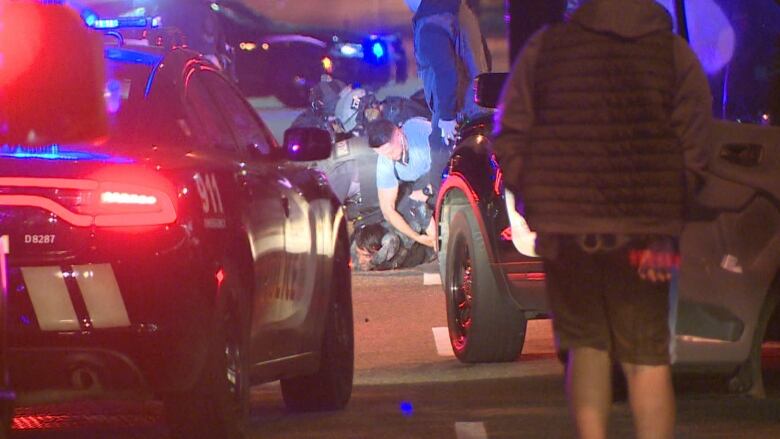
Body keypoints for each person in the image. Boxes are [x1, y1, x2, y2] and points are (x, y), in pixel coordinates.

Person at [492, 1, 712, 438]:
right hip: (651, 238)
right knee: (648, 361)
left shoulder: (547, 49)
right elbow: (695, 148)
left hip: (568, 234)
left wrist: (538, 202)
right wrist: (670, 222)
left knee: (586, 350)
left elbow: (510, 132)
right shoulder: (673, 54)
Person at [404, 0, 491, 145]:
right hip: (481, 106)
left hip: (459, 115)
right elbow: (485, 55)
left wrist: (446, 117)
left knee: (439, 157)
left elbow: (447, 73)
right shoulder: (462, 11)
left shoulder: (430, 25)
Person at [366, 118, 443, 249]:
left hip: (442, 169)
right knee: (412, 205)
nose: (388, 156)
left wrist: (428, 190)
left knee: (420, 196)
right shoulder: (385, 162)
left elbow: (449, 160)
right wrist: (418, 238)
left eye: (389, 151)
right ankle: (437, 242)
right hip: (419, 183)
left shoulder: (421, 131)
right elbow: (387, 211)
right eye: (382, 154)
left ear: (398, 134)